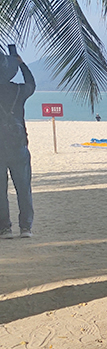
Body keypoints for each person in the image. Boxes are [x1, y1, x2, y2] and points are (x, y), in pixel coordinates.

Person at [0, 50, 36, 239]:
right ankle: (26, 228)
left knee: (1, 192)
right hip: (18, 144)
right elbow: (31, 84)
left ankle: (5, 228)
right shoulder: (18, 91)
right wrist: (22, 64)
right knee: (23, 189)